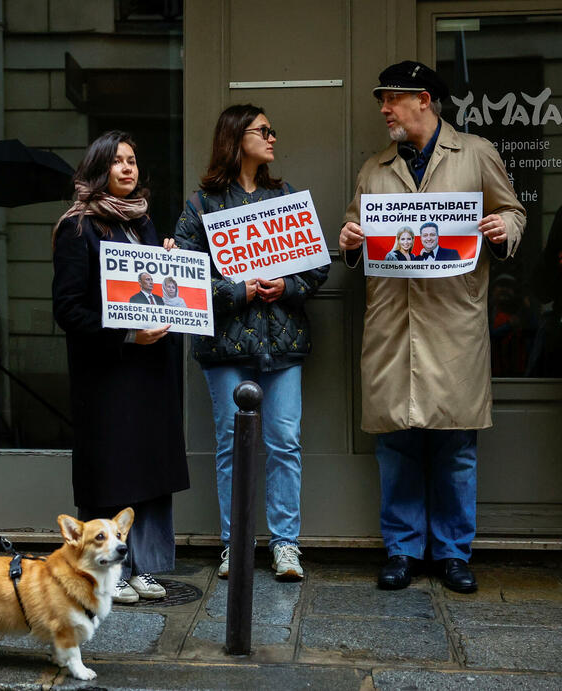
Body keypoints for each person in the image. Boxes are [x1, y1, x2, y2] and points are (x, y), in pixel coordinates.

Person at [338, 61, 525, 593]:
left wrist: (500, 226)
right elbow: (355, 227)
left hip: (452, 324)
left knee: (455, 446)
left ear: (423, 99)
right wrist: (351, 239)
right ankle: (401, 549)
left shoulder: (476, 152)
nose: (383, 110)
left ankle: (452, 552)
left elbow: (514, 212)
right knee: (396, 446)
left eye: (391, 99)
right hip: (393, 325)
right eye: (382, 100)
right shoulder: (375, 168)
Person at [174, 104, 329, 582]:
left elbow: (318, 267)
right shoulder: (201, 205)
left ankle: (285, 546)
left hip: (282, 347)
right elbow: (186, 281)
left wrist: (288, 286)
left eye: (271, 130)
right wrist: (239, 290)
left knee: (285, 443)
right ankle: (234, 545)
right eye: (264, 130)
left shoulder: (286, 198)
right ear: (237, 137)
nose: (273, 138)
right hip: (225, 348)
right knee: (231, 446)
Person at [52, 130, 189, 604]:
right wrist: (127, 335)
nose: (128, 168)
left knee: (149, 468)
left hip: (150, 369)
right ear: (98, 169)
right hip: (107, 372)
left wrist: (170, 268)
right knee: (113, 472)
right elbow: (68, 310)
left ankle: (144, 568)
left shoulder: (144, 223)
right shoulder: (77, 227)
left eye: (133, 160)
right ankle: (106, 572)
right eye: (117, 161)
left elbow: (150, 290)